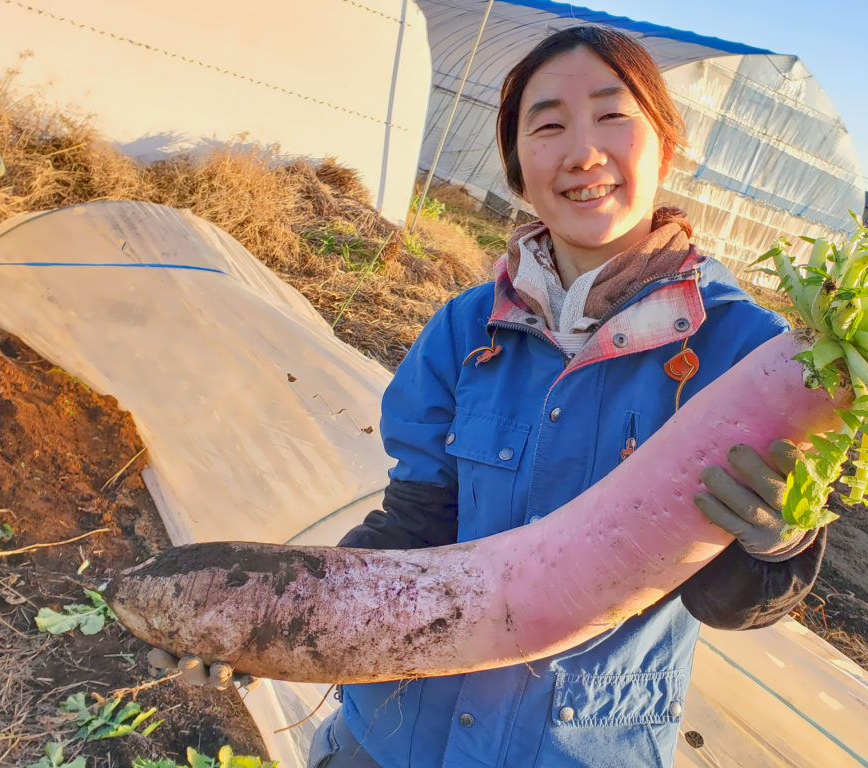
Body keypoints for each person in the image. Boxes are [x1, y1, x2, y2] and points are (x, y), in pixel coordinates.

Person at [156, 24, 830, 768]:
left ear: (666, 147)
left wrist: (780, 545)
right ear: (517, 167)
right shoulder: (465, 327)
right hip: (394, 738)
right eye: (548, 125)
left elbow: (726, 601)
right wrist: (275, 624)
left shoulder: (743, 349)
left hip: (575, 746)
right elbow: (418, 520)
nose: (583, 152)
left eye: (613, 116)